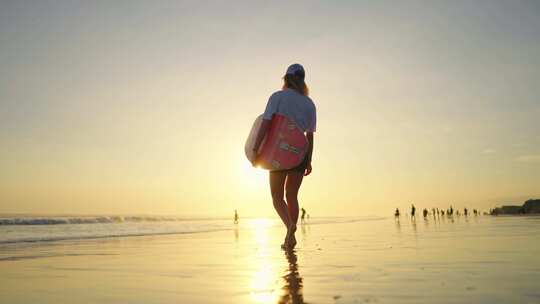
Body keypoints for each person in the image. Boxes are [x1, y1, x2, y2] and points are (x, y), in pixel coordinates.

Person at [251, 63, 316, 250]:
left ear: (286, 78)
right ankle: (290, 238)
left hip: (278, 152)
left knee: (277, 196)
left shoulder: (277, 97)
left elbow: (265, 124)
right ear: (303, 80)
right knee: (292, 195)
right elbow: (309, 136)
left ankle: (290, 227)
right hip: (300, 153)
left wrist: (256, 149)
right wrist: (309, 159)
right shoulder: (309, 104)